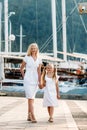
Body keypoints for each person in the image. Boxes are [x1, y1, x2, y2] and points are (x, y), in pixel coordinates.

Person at [20, 43, 42, 123]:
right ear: (30, 49)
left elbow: (39, 71)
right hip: (28, 80)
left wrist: (40, 81)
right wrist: (24, 77)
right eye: (32, 48)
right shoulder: (27, 57)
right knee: (30, 98)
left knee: (32, 98)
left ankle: (29, 115)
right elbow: (21, 68)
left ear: (37, 49)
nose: (33, 49)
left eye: (35, 48)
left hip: (35, 80)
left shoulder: (39, 58)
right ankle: (33, 115)